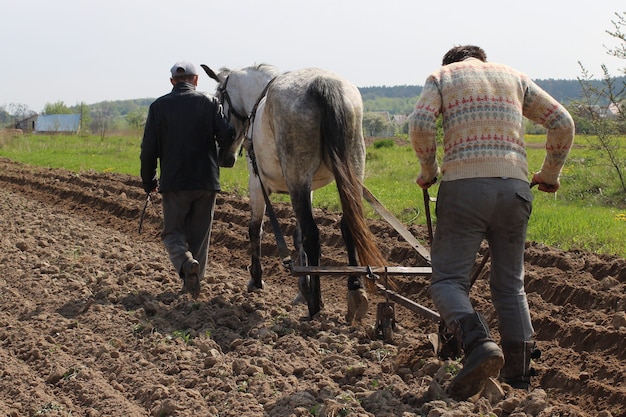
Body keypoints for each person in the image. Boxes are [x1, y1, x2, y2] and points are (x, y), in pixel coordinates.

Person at [408, 45, 575, 400]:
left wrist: (428, 171)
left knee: (448, 281)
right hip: (514, 190)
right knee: (510, 286)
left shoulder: (442, 77)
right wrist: (549, 174)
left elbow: (421, 122)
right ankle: (519, 378)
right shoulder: (514, 77)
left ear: (451, 63)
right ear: (482, 61)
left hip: (463, 190)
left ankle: (479, 344)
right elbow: (562, 122)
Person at [140, 61, 235, 299]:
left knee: (173, 233)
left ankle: (184, 263)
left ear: (172, 81)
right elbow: (226, 137)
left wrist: (148, 180)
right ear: (196, 80)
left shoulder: (158, 107)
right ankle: (193, 283)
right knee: (200, 236)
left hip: (174, 183)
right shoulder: (210, 103)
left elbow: (148, 149)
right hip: (206, 182)